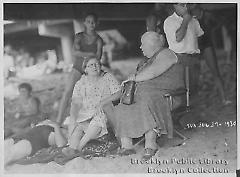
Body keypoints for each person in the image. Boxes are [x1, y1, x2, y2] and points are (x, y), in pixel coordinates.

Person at [104, 32, 184, 161]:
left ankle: (150, 144)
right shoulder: (150, 59)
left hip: (168, 96)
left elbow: (153, 72)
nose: (140, 47)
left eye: (143, 44)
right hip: (149, 94)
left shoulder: (166, 53)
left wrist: (133, 78)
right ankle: (126, 145)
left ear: (152, 44)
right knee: (125, 104)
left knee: (145, 99)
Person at [62, 57, 121, 157]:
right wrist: (73, 117)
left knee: (99, 119)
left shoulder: (107, 77)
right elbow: (75, 103)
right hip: (86, 113)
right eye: (91, 65)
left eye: (97, 64)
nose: (95, 67)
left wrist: (103, 102)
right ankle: (72, 148)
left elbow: (119, 93)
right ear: (85, 69)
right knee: (78, 127)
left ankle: (79, 148)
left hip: (105, 110)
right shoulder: (80, 83)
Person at [56, 12, 103, 125]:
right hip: (78, 68)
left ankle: (91, 120)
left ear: (97, 23)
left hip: (91, 70)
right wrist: (89, 53)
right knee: (67, 92)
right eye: (88, 22)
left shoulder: (99, 39)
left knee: (93, 95)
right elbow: (74, 52)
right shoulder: (79, 36)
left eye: (93, 22)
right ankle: (58, 120)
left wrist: (86, 55)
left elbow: (99, 57)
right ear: (84, 23)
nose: (91, 24)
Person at [190, 4, 231, 105]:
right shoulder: (187, 15)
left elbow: (219, 23)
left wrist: (211, 30)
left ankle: (224, 98)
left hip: (207, 44)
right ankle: (192, 100)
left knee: (215, 72)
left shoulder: (207, 14)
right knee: (193, 74)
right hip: (194, 46)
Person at [163, 3, 204, 96]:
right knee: (180, 89)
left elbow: (199, 36)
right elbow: (178, 38)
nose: (186, 7)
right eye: (182, 5)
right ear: (174, 6)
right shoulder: (169, 21)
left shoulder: (194, 20)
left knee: (193, 88)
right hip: (179, 59)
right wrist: (185, 20)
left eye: (186, 4)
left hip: (194, 58)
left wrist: (195, 51)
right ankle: (181, 109)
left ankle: (193, 109)